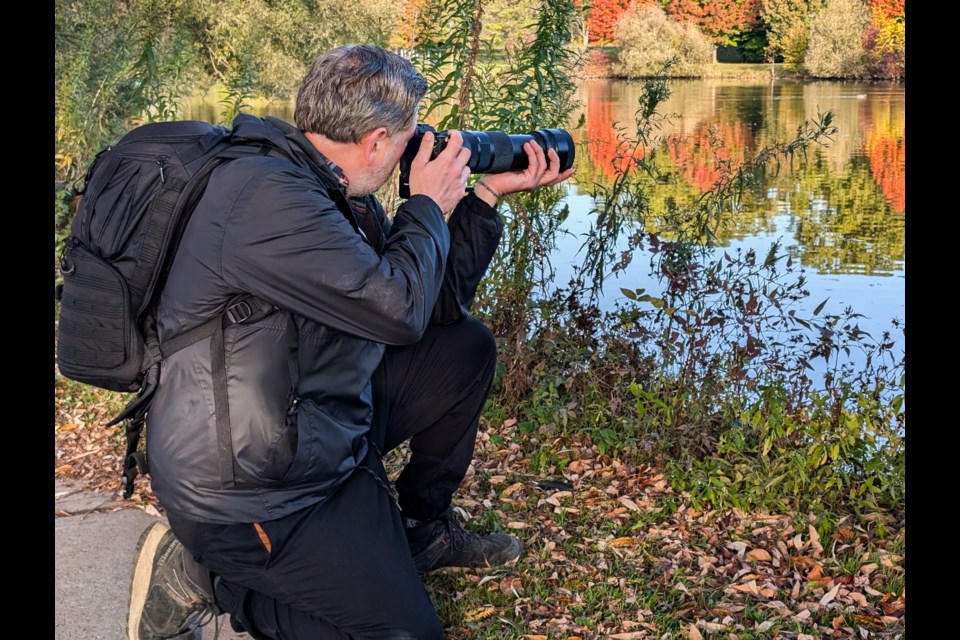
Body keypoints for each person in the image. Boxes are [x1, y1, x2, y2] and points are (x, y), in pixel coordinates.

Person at [125, 44, 574, 640]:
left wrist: (484, 197)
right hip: (247, 484)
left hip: (309, 417)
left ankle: (419, 528)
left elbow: (431, 307)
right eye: (410, 136)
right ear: (376, 141)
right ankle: (204, 577)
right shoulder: (269, 199)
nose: (418, 147)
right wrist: (424, 204)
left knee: (464, 349)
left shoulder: (328, 187)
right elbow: (397, 311)